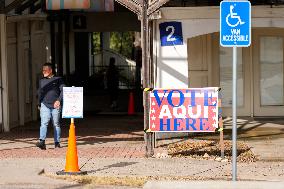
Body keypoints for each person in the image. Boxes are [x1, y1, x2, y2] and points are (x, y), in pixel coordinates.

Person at [36, 63, 65, 150]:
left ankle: (57, 143)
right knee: (43, 123)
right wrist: (39, 104)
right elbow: (40, 93)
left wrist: (59, 100)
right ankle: (42, 142)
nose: (43, 71)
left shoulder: (58, 79)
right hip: (45, 104)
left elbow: (63, 90)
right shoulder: (41, 81)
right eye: (43, 70)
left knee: (56, 124)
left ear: (51, 70)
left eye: (45, 70)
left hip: (55, 105)